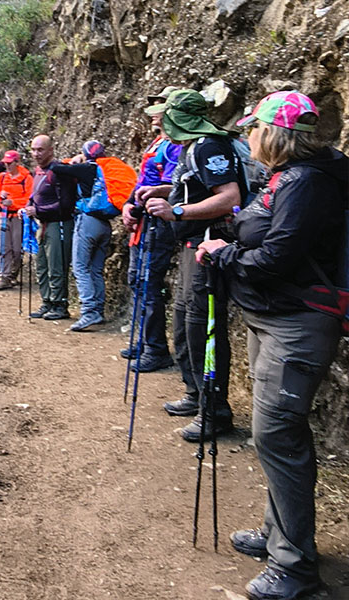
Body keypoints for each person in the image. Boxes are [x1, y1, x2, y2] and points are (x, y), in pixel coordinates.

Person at [196, 91, 348, 600]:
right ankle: (278, 535)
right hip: (273, 317)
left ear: (272, 133)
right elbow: (268, 238)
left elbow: (280, 256)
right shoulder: (287, 178)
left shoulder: (305, 183)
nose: (248, 136)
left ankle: (295, 566)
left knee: (278, 436)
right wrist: (229, 243)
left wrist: (224, 255)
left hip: (296, 324)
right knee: (275, 435)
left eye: (253, 128)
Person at [141, 89, 245, 442]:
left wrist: (176, 211)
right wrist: (162, 191)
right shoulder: (191, 148)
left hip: (208, 247)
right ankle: (195, 394)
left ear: (179, 118)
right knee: (185, 322)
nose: (160, 122)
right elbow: (196, 189)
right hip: (191, 247)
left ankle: (215, 412)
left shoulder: (209, 147)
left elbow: (230, 198)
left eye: (165, 116)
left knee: (204, 327)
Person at [121, 86, 182, 372]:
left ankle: (156, 348)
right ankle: (145, 342)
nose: (153, 113)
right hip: (144, 220)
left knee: (148, 283)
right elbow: (142, 181)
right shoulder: (158, 142)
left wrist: (148, 199)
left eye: (159, 106)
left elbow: (174, 186)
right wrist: (128, 205)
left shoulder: (175, 145)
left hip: (158, 222)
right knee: (137, 280)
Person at [61, 140, 136, 332]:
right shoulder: (109, 169)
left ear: (85, 154)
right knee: (95, 269)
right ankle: (98, 310)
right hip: (105, 224)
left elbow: (57, 168)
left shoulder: (87, 169)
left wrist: (73, 160)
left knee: (80, 267)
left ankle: (88, 311)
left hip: (87, 222)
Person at [23, 135, 85, 320]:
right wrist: (28, 207)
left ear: (51, 150)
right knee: (42, 265)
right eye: (33, 150)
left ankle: (60, 305)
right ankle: (47, 302)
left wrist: (38, 210)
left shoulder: (60, 171)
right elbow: (36, 196)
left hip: (59, 224)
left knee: (56, 266)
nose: (36, 154)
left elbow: (66, 204)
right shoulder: (38, 171)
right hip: (42, 224)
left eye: (40, 150)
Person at [0, 151, 33, 290]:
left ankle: (13, 274)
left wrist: (13, 203)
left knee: (16, 249)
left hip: (19, 217)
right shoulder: (2, 177)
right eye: (5, 163)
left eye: (10, 163)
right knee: (3, 247)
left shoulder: (26, 178)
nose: (7, 166)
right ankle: (5, 277)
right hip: (3, 215)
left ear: (17, 162)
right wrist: (0, 195)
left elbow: (30, 198)